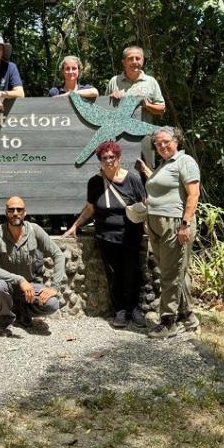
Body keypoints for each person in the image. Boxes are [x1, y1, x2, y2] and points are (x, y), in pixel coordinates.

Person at [63, 141, 147, 328]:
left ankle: (134, 309)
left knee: (132, 272)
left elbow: (145, 204)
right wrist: (75, 226)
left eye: (112, 157)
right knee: (114, 275)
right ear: (99, 161)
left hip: (131, 235)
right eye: (104, 158)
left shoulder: (132, 179)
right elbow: (90, 208)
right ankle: (120, 311)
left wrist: (150, 228)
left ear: (118, 158)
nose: (109, 161)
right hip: (107, 236)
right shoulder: (94, 182)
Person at [136, 127, 201, 338]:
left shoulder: (185, 161)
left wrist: (185, 224)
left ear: (177, 141)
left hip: (174, 223)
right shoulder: (164, 165)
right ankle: (188, 315)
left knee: (170, 274)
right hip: (156, 224)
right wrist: (146, 170)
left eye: (166, 142)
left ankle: (168, 321)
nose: (162, 146)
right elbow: (160, 187)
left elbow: (193, 194)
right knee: (173, 271)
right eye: (158, 143)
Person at [0, 196, 66, 336]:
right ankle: (6, 318)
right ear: (6, 213)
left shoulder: (35, 230)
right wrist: (19, 280)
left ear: (25, 213)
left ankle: (22, 312)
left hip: (30, 286)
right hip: (6, 284)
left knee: (52, 304)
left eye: (19, 209)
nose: (15, 212)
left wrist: (55, 287)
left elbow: (58, 255)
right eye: (11, 209)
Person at [106, 46, 166, 116]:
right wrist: (109, 98)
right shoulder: (114, 81)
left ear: (142, 61)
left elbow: (162, 109)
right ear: (124, 62)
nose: (134, 62)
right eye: (130, 59)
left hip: (142, 126)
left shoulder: (151, 82)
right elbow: (103, 108)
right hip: (117, 126)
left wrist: (147, 105)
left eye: (137, 58)